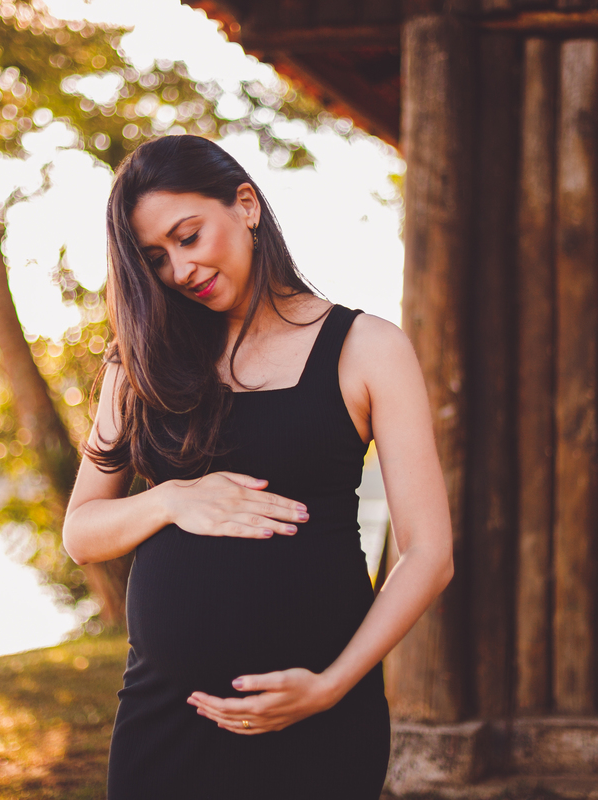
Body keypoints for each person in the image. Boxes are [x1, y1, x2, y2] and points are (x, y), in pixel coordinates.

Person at [62, 134, 453, 800]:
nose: (178, 270)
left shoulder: (367, 348)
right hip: (166, 725)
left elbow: (428, 553)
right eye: (156, 259)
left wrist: (331, 687)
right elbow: (81, 532)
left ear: (245, 205)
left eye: (188, 237)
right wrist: (171, 500)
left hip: (319, 720)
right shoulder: (136, 367)